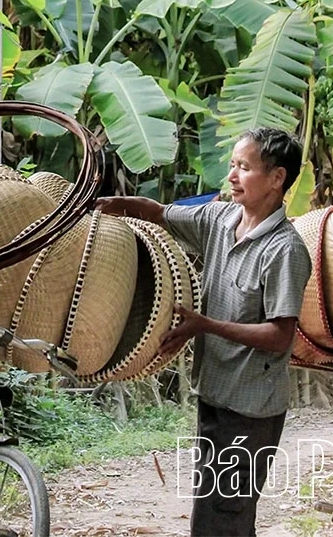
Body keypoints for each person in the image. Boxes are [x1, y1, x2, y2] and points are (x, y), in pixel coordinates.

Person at [96, 127, 312, 537]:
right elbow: (157, 211)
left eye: (243, 167)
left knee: (227, 514)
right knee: (211, 511)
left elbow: (280, 335)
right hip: (214, 392)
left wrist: (203, 325)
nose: (231, 175)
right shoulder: (219, 218)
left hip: (252, 407)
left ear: (277, 178)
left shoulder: (284, 250)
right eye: (232, 165)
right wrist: (114, 204)